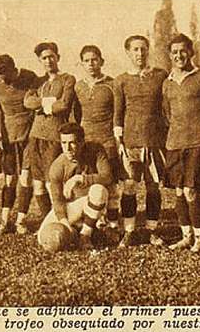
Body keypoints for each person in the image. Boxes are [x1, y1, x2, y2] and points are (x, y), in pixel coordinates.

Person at [161, 34, 200, 252]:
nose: (179, 56)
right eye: (175, 52)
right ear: (170, 55)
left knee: (190, 191)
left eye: (183, 51)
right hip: (175, 143)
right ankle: (186, 236)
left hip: (198, 142)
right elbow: (167, 114)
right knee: (178, 191)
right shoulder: (167, 83)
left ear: (191, 52)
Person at [113, 35, 168, 247]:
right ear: (128, 52)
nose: (140, 54)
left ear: (148, 50)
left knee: (153, 187)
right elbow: (118, 112)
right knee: (129, 186)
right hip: (131, 142)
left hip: (154, 141)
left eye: (143, 49)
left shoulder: (160, 75)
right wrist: (120, 141)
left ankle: (152, 230)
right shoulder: (121, 80)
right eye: (135, 50)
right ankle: (129, 231)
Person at [38, 122, 113, 252]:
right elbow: (58, 201)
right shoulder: (57, 166)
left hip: (94, 203)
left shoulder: (96, 150)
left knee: (99, 190)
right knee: (43, 237)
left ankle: (85, 235)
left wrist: (81, 178)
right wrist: (65, 225)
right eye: (64, 143)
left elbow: (107, 177)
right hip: (73, 205)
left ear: (82, 141)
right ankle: (80, 230)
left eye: (72, 142)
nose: (68, 148)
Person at [73, 45, 121, 242]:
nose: (91, 64)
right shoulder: (78, 86)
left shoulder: (112, 84)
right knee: (87, 182)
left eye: (94, 60)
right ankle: (94, 222)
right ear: (82, 63)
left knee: (110, 183)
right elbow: (75, 115)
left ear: (101, 61)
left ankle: (113, 226)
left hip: (107, 140)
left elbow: (118, 113)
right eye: (86, 61)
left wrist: (117, 140)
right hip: (86, 143)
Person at [23, 42, 76, 221]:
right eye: (44, 58)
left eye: (51, 56)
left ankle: (60, 217)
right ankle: (47, 219)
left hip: (54, 136)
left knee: (51, 181)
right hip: (35, 135)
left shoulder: (68, 79)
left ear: (58, 57)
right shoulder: (37, 81)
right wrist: (50, 102)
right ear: (40, 60)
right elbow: (27, 102)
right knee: (37, 182)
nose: (48, 60)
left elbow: (64, 105)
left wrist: (42, 104)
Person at [0, 54, 39, 235]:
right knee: (10, 179)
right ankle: (4, 220)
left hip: (29, 135)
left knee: (26, 178)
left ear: (13, 69)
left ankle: (20, 221)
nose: (3, 81)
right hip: (8, 138)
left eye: (5, 76)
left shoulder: (30, 77)